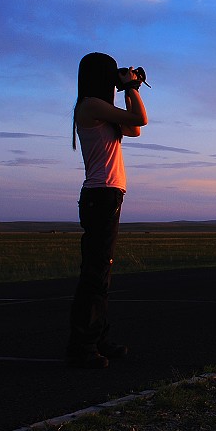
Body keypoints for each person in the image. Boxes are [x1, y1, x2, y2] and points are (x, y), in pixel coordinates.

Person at [66, 52, 148, 369]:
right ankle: (82, 347)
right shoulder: (91, 105)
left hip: (108, 195)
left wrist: (131, 88)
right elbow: (141, 119)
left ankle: (96, 339)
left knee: (102, 272)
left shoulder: (102, 111)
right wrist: (131, 87)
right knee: (95, 274)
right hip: (100, 196)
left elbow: (135, 129)